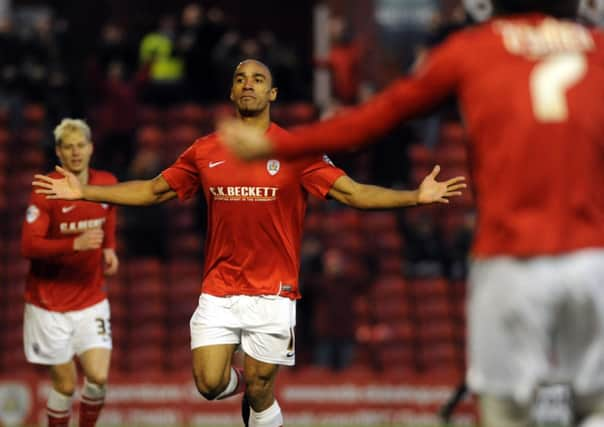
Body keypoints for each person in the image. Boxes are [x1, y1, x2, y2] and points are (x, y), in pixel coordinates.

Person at [218, 2, 604, 427]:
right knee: (597, 408)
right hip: (592, 260)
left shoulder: (471, 49)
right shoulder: (598, 48)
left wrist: (278, 146)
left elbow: (374, 118)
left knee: (506, 414)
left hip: (510, 260)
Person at [32, 59, 465, 427]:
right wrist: (84, 192)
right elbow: (151, 191)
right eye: (240, 78)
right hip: (219, 289)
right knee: (209, 384)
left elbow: (354, 193)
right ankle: (238, 386)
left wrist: (416, 196)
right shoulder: (205, 150)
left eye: (258, 78)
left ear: (273, 93)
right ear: (232, 92)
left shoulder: (296, 150)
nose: (248, 84)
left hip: (273, 290)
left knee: (261, 387)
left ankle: (258, 401)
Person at [21, 118, 119, 427]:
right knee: (65, 386)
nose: (75, 152)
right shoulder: (45, 190)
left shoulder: (106, 183)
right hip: (48, 305)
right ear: (59, 153)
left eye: (80, 145)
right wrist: (73, 243)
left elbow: (108, 211)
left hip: (91, 299)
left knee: (99, 377)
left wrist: (109, 247)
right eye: (68, 147)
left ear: (90, 148)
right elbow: (28, 246)